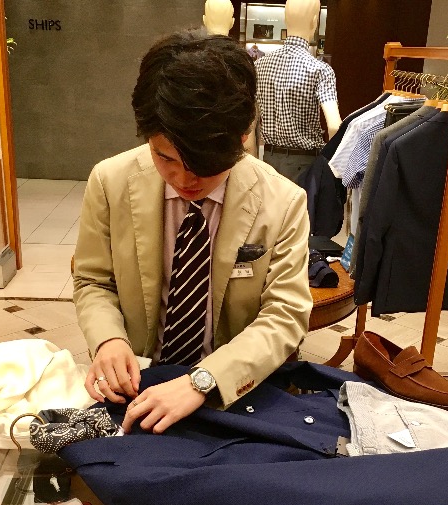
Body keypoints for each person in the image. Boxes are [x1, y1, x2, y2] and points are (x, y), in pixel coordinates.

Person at [73, 29, 312, 436]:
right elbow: (94, 281)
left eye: (204, 164)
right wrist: (109, 340)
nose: (185, 179)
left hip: (232, 394)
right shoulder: (111, 182)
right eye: (165, 158)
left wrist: (203, 381)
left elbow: (285, 314)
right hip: (137, 383)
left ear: (243, 137)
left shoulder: (283, 201)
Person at [255, 0, 341, 182]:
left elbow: (252, 119)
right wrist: (335, 167)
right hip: (305, 163)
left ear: (285, 19)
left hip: (269, 159)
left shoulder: (259, 65)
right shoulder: (320, 69)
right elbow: (334, 126)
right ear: (315, 21)